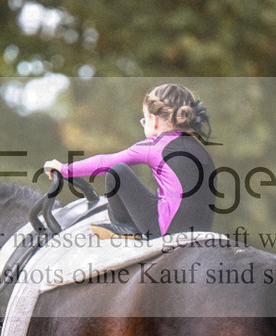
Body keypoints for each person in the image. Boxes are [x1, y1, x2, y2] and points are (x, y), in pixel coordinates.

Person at [44, 83, 216, 238]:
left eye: (144, 119)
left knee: (117, 172)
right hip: (202, 231)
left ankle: (124, 227)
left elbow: (105, 162)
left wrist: (64, 168)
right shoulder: (200, 150)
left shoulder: (156, 145)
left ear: (154, 120)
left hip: (163, 231)